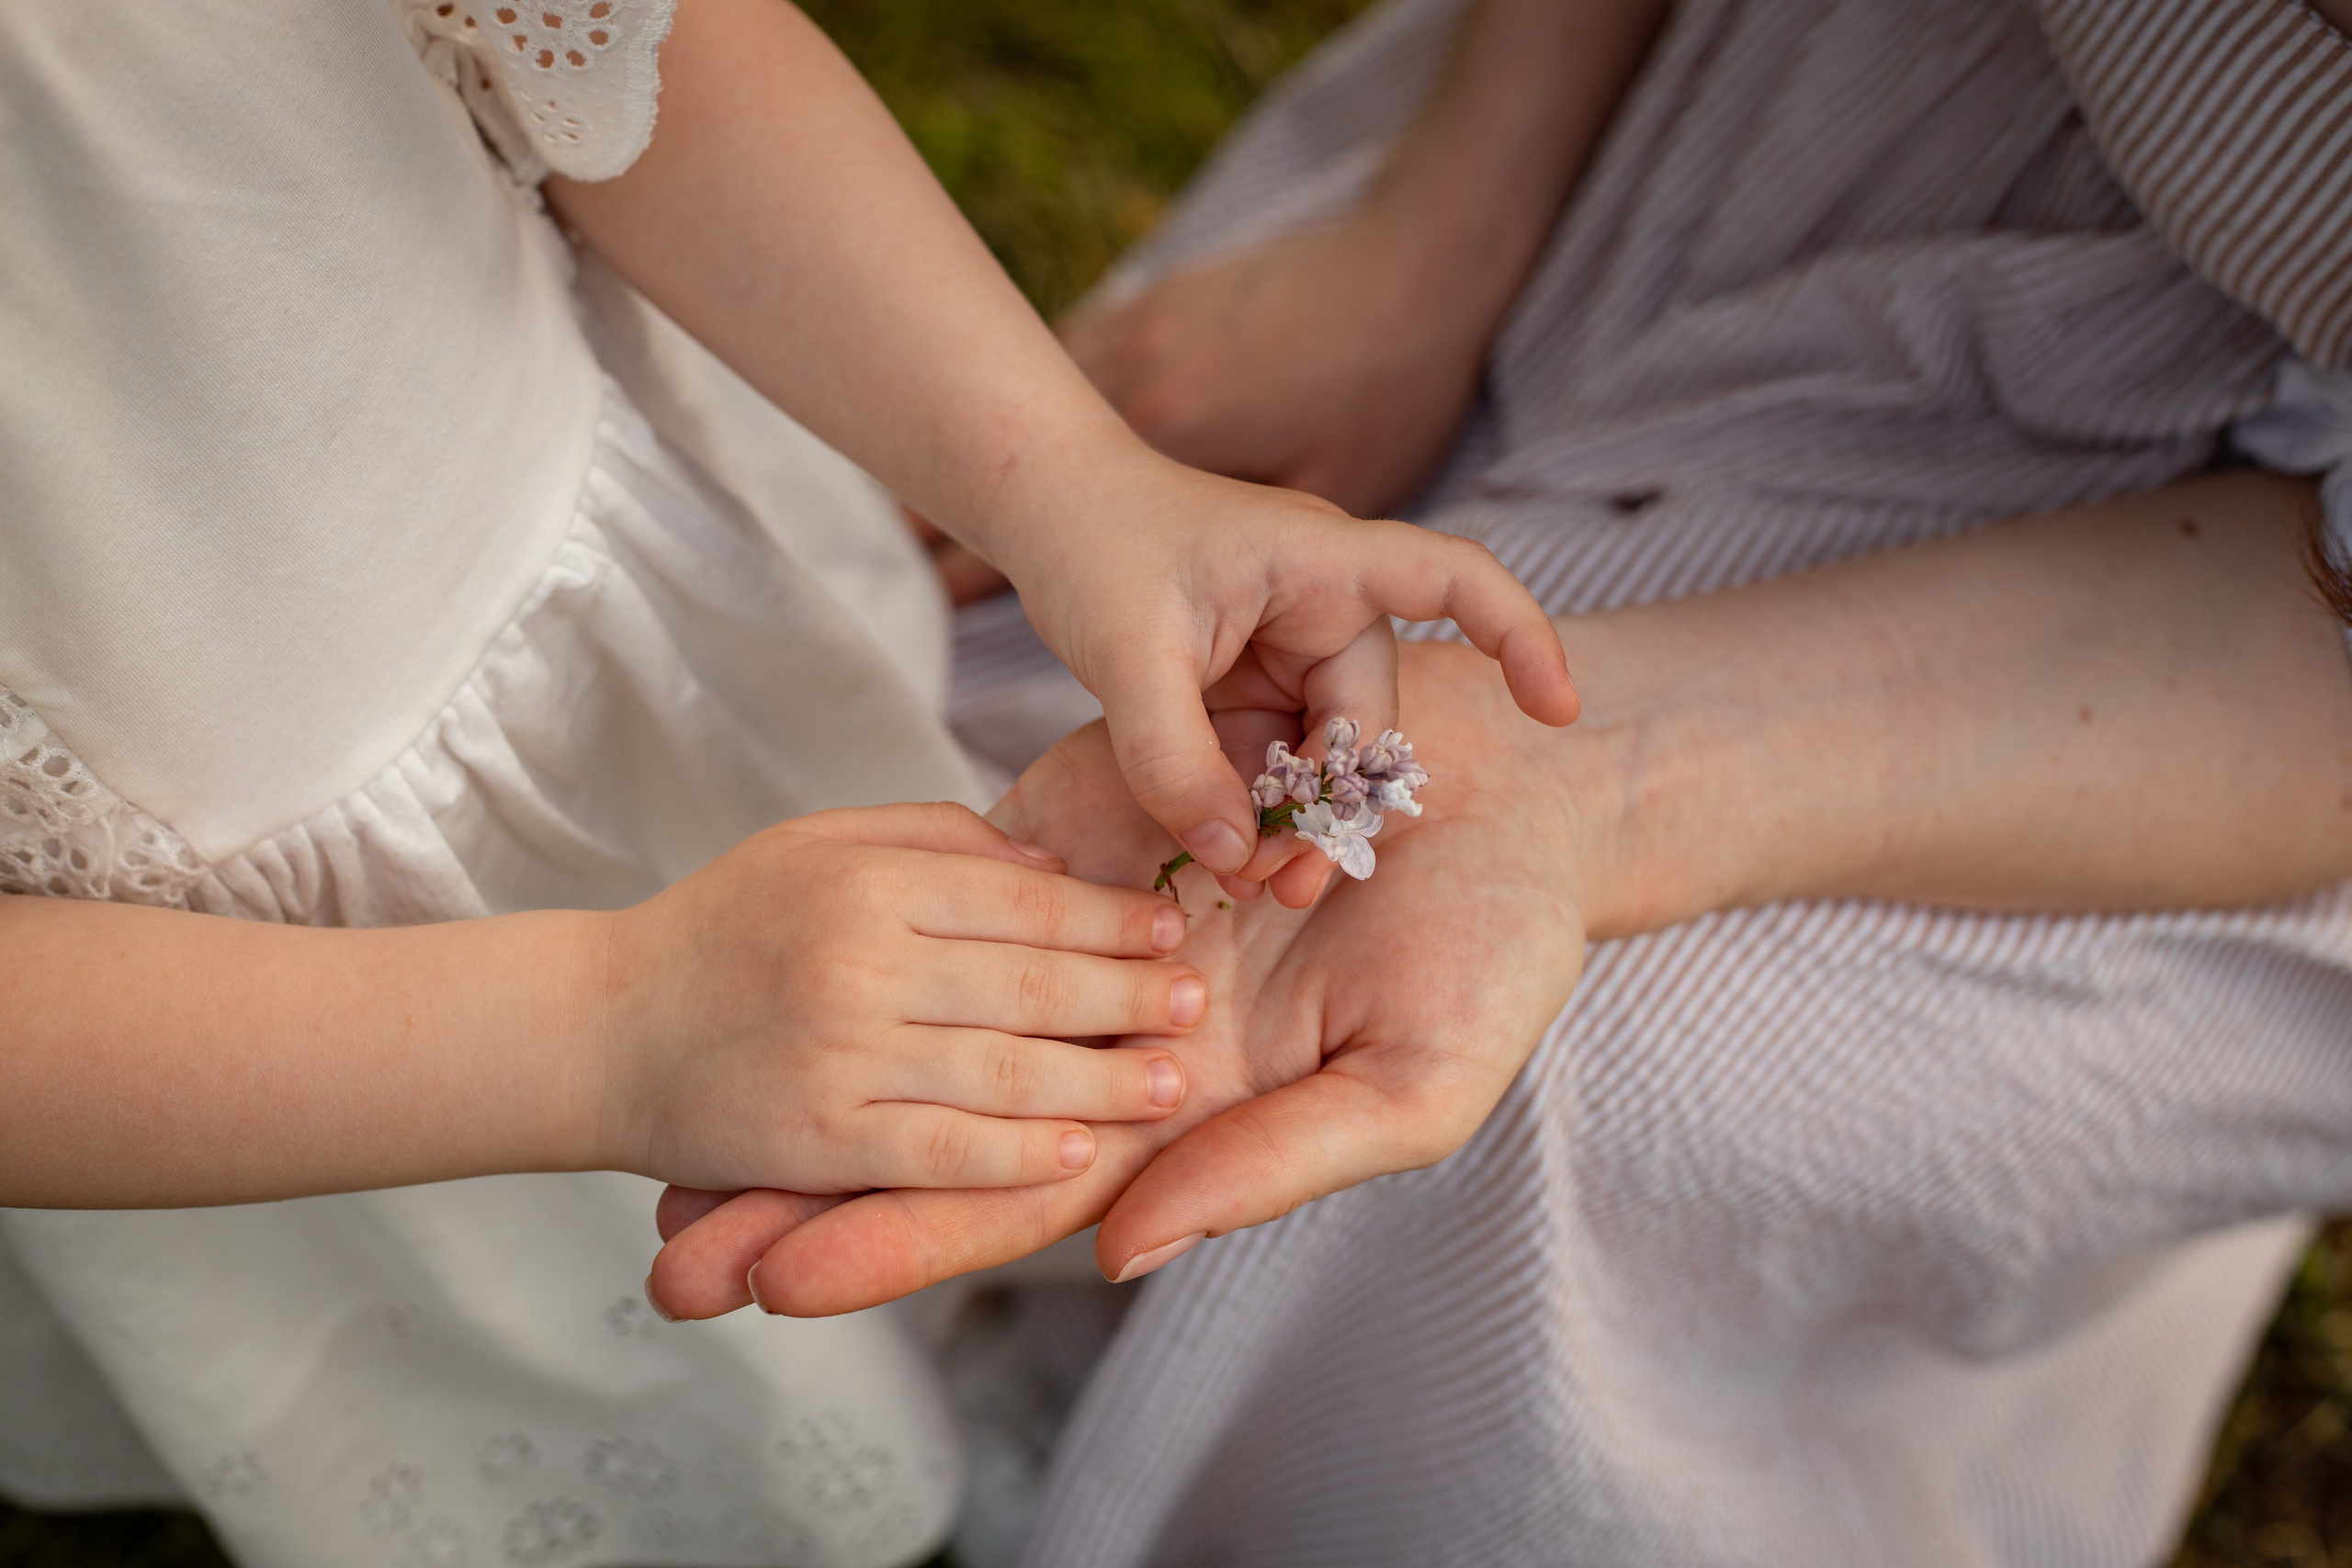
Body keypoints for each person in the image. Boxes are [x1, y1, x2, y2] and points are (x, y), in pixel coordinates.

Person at [650, 0, 2352, 1562]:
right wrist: (1441, 227)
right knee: (1108, 705)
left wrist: (1587, 794)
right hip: (1764, 141)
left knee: (1566, 1080)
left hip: (2231, 678)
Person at [0, 1, 1578, 1562]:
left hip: (614, 594)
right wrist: (606, 1026)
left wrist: (1079, 489)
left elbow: (627, 52)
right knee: (566, 1312)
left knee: (909, 1032)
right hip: (252, 1035)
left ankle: (955, 1357)